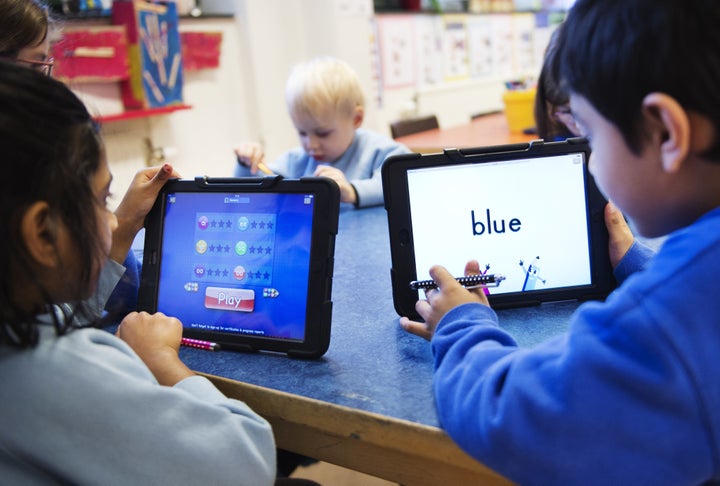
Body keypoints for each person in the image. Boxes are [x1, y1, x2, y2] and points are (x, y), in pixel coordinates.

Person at [400, 0, 720, 484]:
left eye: (589, 135)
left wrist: (460, 324)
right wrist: (640, 266)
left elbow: (510, 415)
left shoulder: (660, 326)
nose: (588, 164)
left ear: (664, 132)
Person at [0, 62, 278, 485]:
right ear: (42, 233)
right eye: (101, 199)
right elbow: (246, 464)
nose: (112, 222)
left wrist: (127, 222)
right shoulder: (64, 373)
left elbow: (69, 304)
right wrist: (160, 361)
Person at [234, 56, 411, 208]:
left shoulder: (379, 152)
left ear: (356, 119)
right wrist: (246, 163)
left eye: (323, 133)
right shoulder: (296, 162)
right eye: (302, 133)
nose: (311, 145)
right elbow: (250, 192)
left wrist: (352, 191)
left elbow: (402, 182)